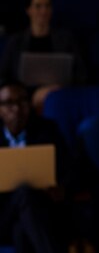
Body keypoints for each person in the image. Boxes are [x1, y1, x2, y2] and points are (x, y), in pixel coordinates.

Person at [0, 81, 74, 253]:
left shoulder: (47, 129)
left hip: (41, 209)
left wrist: (62, 188)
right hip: (3, 215)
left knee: (21, 231)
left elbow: (70, 168)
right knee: (24, 193)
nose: (17, 109)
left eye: (23, 101)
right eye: (9, 104)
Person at [0, 0, 88, 114]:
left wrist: (54, 89)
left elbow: (81, 74)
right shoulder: (15, 42)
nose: (43, 11)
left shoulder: (66, 39)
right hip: (23, 95)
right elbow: (4, 76)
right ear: (29, 10)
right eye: (38, 6)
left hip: (58, 94)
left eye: (47, 6)